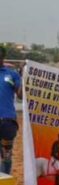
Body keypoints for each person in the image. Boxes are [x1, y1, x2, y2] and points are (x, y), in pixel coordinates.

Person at [0, 46, 22, 175]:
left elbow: (20, 95)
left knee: (6, 156)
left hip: (8, 122)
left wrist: (25, 80)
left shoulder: (11, 74)